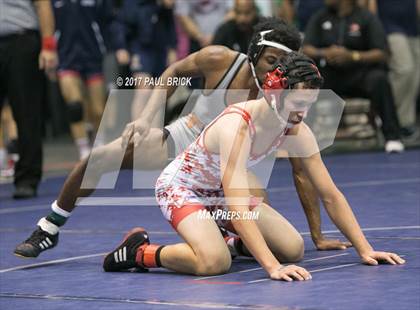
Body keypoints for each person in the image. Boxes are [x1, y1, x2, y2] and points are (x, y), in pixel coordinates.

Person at [14, 18, 350, 258]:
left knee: (281, 244)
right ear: (254, 53)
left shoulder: (284, 96)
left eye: (284, 65)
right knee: (103, 156)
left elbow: (302, 171)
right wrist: (147, 117)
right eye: (271, 62)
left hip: (231, 165)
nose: (275, 72)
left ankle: (226, 243)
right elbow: (172, 71)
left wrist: (318, 235)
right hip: (186, 141)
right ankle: (49, 227)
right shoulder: (219, 60)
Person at [103, 52, 405, 280]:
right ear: (274, 94)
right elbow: (236, 202)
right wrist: (271, 267)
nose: (302, 114)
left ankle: (225, 239)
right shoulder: (238, 126)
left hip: (218, 193)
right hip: (183, 188)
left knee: (292, 248)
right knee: (213, 263)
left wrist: (364, 248)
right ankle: (140, 252)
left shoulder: (296, 128)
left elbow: (330, 194)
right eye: (297, 105)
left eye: (308, 104)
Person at [302, 0, 404, 153]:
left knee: (379, 80)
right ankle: (302, 140)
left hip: (359, 74)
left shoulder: (366, 17)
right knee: (308, 81)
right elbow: (306, 47)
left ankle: (392, 137)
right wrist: (324, 53)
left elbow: (382, 53)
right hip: (330, 75)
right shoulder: (320, 16)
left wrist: (353, 56)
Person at [0, 0, 58, 198]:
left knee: (27, 113)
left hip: (21, 41)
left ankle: (27, 179)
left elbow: (43, 4)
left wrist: (48, 45)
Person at [52, 0, 112, 159]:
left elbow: (108, 20)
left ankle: (98, 145)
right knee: (75, 106)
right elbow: (49, 24)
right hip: (66, 57)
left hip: (93, 57)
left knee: (98, 110)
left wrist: (113, 46)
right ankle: (83, 149)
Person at [367, 0, 420, 140]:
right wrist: (374, 29)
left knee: (415, 74)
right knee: (404, 69)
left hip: (412, 25)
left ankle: (404, 122)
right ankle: (385, 115)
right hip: (389, 25)